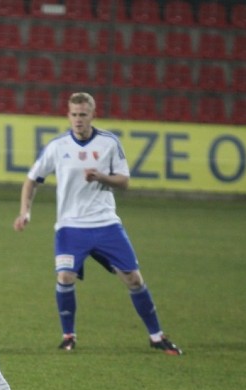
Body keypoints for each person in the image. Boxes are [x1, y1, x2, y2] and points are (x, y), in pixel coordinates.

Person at [13, 92, 182, 355]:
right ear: (68, 116)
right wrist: (25, 211)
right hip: (70, 226)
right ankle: (68, 335)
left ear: (93, 115)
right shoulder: (58, 147)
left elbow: (124, 182)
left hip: (106, 224)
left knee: (134, 279)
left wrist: (102, 176)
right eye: (74, 114)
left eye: (83, 114)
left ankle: (156, 335)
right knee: (65, 275)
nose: (78, 120)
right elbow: (31, 179)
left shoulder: (109, 143)